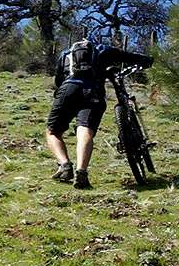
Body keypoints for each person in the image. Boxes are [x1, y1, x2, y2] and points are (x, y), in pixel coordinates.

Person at [45, 38, 153, 189]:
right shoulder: (101, 49)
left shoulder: (65, 54)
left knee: (53, 131)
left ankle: (65, 165)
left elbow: (58, 81)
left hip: (68, 89)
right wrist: (146, 60)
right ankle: (81, 172)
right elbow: (126, 56)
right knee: (85, 130)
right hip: (93, 91)